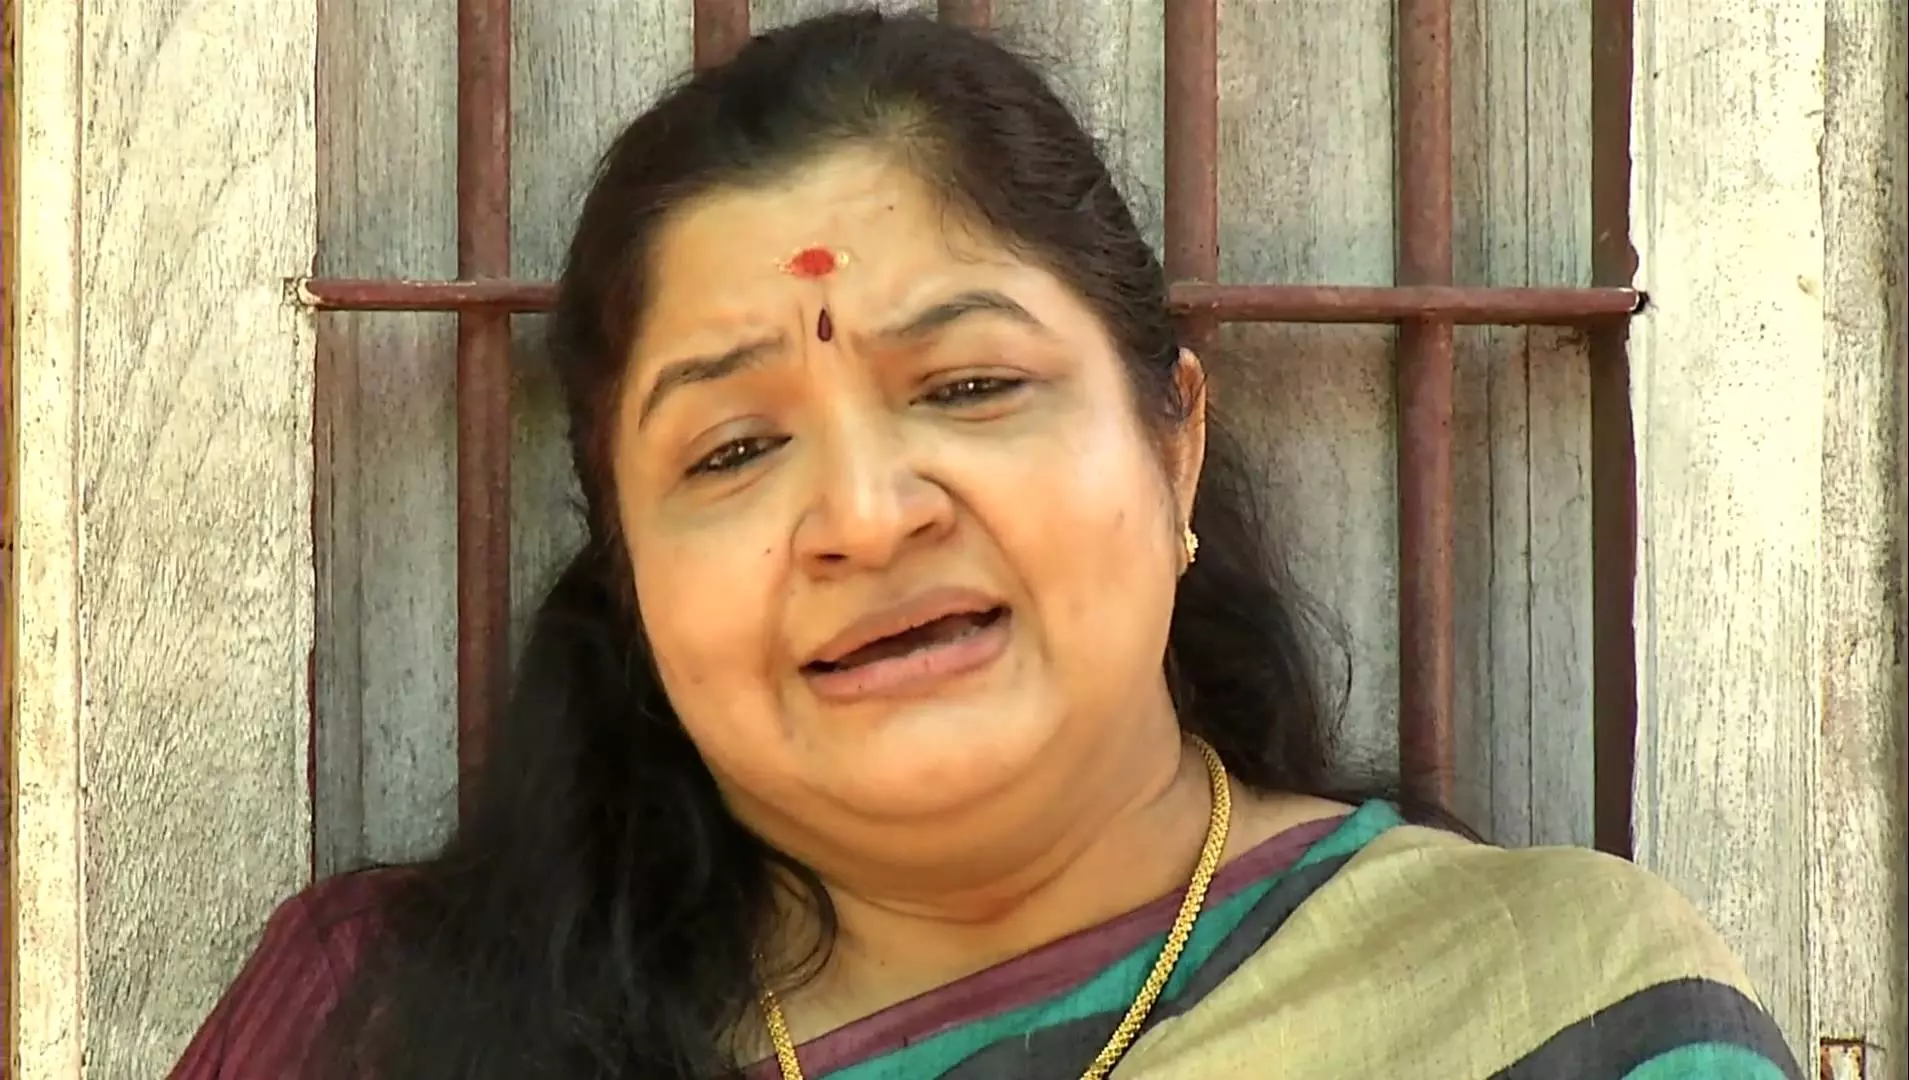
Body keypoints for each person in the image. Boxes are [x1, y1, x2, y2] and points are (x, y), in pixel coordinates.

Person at [170, 10, 1802, 1079]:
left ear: (1175, 443)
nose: (868, 515)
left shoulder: (1564, 1015)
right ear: (636, 586)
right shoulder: (379, 1029)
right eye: (733, 450)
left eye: (967, 387)